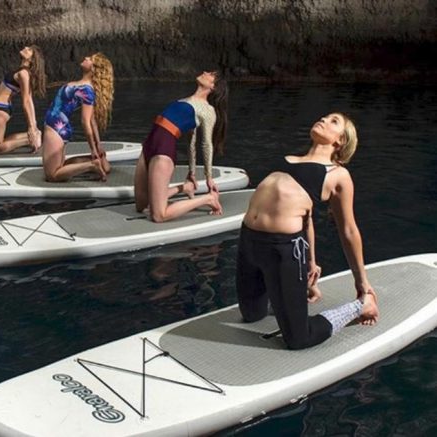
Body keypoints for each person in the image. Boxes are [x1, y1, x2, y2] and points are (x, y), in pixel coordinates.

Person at [236, 112, 379, 350]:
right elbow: (307, 218)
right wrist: (311, 263)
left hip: (283, 251)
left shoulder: (337, 174)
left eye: (333, 121)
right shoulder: (288, 159)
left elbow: (348, 230)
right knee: (252, 315)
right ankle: (289, 296)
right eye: (324, 117)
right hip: (248, 243)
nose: (323, 119)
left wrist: (362, 281)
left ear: (340, 141)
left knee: (298, 339)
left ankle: (361, 307)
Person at [134, 71, 228, 222]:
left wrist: (208, 177)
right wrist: (191, 173)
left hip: (163, 152)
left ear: (213, 86)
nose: (204, 72)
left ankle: (208, 199)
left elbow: (206, 144)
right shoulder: (184, 100)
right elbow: (191, 142)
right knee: (141, 205)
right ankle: (185, 188)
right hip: (148, 146)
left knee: (158, 216)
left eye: (210, 74)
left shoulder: (207, 110)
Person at [42, 53, 114, 182]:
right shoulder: (84, 86)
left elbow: (86, 122)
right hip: (59, 126)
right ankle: (98, 160)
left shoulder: (87, 91)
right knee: (61, 165)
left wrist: (93, 148)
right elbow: (92, 121)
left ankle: (92, 164)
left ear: (94, 68)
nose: (86, 58)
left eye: (90, 59)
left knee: (52, 175)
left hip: (56, 127)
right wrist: (97, 147)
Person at [0, 45, 47, 155]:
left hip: (0, 109)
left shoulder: (24, 74)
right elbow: (29, 100)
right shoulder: (22, 72)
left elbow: (27, 101)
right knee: (3, 141)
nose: (25, 47)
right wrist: (34, 127)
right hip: (3, 108)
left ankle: (30, 139)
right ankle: (36, 135)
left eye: (29, 50)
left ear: (31, 59)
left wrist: (31, 126)